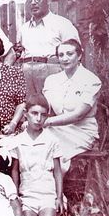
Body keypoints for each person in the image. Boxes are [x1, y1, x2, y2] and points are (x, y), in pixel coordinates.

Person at [42, 39, 102, 174]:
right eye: (61, 55)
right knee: (36, 142)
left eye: (69, 54)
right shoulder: (51, 81)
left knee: (50, 148)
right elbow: (46, 109)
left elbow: (78, 115)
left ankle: (55, 191)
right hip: (56, 129)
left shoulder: (90, 80)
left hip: (81, 132)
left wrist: (46, 122)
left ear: (79, 55)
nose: (65, 58)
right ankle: (41, 190)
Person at [10, 94, 64, 216]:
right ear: (25, 114)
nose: (38, 119)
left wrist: (58, 197)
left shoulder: (52, 140)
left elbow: (58, 171)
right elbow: (15, 171)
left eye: (43, 115)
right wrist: (15, 195)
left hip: (47, 195)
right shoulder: (17, 141)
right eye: (34, 113)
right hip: (27, 195)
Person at [13, 0, 81, 95]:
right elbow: (19, 54)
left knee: (54, 109)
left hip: (53, 73)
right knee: (31, 110)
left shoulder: (62, 24)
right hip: (27, 75)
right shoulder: (23, 29)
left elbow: (76, 55)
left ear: (48, 0)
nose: (33, 2)